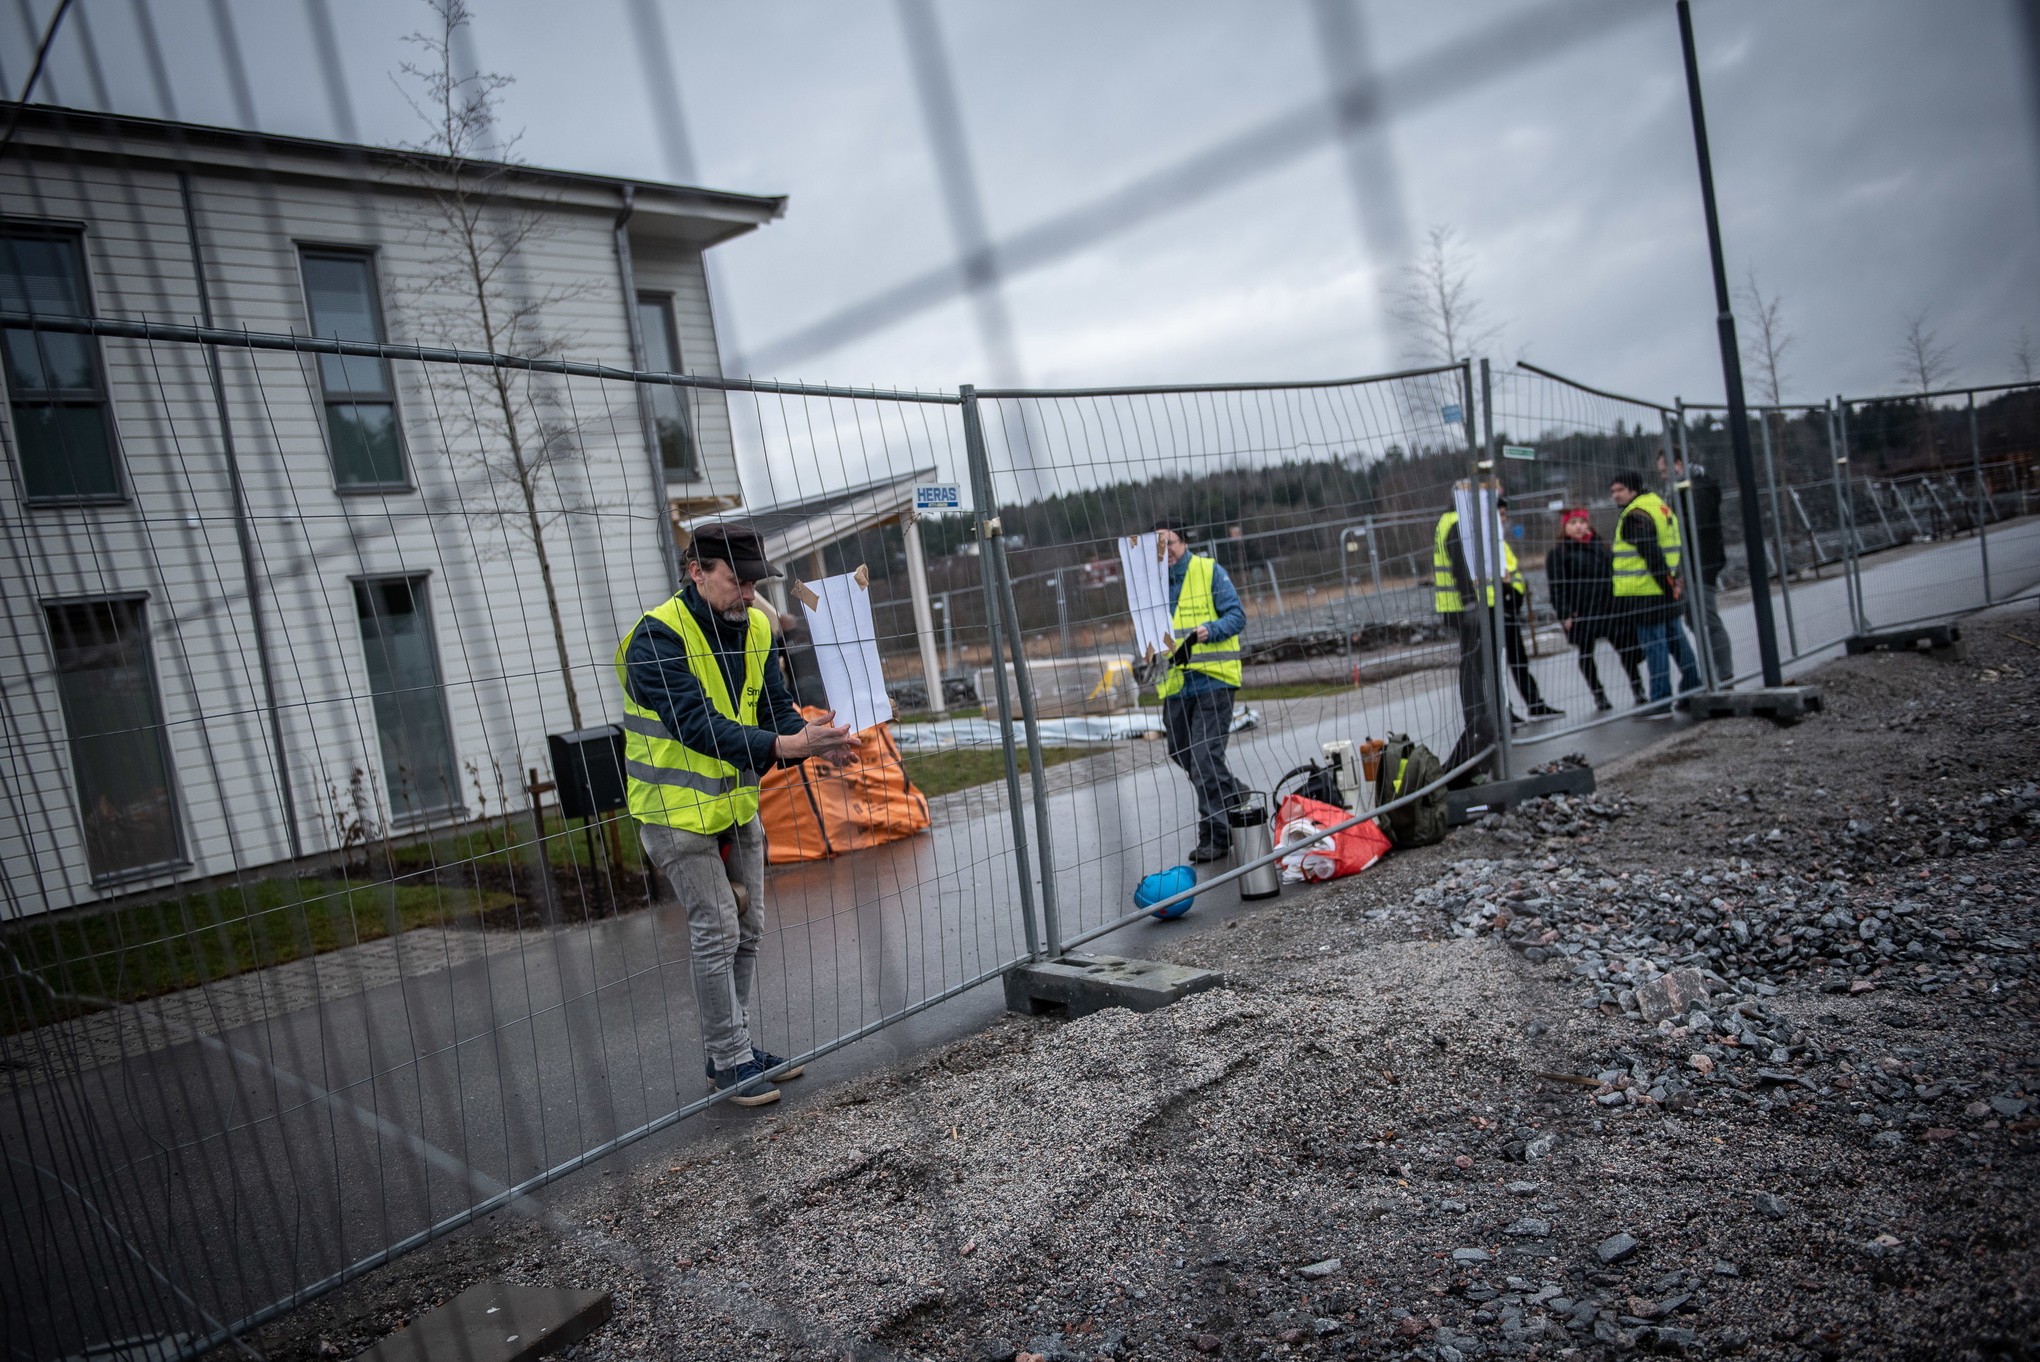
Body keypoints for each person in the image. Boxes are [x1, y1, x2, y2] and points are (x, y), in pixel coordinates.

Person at [617, 523, 859, 1107]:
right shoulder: (654, 639)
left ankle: (736, 1047)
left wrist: (813, 736)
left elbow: (771, 704)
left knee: (748, 930)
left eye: (755, 583)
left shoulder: (754, 625)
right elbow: (696, 727)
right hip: (674, 810)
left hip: (735, 802)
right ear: (696, 571)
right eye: (737, 581)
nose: (749, 594)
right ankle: (728, 1062)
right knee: (717, 928)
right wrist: (785, 748)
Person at [1153, 517, 1247, 863]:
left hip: (1214, 678)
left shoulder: (1209, 572)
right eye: (1160, 547)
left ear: (1185, 543)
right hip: (1176, 684)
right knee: (1183, 753)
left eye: (1171, 543)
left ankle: (1217, 835)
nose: (1167, 552)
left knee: (1205, 756)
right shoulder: (1151, 587)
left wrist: (1212, 629)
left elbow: (1237, 616)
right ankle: (1235, 793)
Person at [1609, 471, 1703, 713]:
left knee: (1655, 646)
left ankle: (1660, 700)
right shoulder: (1659, 506)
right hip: (1665, 586)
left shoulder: (1635, 515)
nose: (1615, 495)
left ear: (1633, 489)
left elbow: (1651, 554)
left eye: (1619, 490)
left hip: (1646, 591)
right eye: (1613, 491)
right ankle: (1693, 689)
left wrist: (1666, 583)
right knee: (1677, 640)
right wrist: (1673, 582)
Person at [1546, 507, 1646, 709]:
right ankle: (1598, 694)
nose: (1578, 527)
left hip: (1610, 608)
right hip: (1582, 611)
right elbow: (1557, 587)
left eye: (1581, 522)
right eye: (1573, 523)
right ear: (1565, 527)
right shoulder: (1558, 554)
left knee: (1626, 650)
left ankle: (1638, 689)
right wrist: (1565, 613)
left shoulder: (1600, 546)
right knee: (1586, 653)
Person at [1433, 482, 1497, 783]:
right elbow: (1460, 564)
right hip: (1463, 607)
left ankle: (1483, 715)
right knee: (1472, 663)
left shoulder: (1455, 519)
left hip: (1460, 606)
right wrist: (1471, 603)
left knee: (1476, 661)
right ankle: (1478, 718)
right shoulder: (1458, 522)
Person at [1659, 451, 1733, 685]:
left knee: (1708, 617)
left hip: (1702, 563)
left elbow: (1693, 526)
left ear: (1678, 464)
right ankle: (1712, 673)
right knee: (1693, 619)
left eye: (1664, 470)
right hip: (1689, 564)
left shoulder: (1699, 488)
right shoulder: (1680, 490)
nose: (1662, 476)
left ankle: (1724, 673)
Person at [1497, 501, 1563, 720]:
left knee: (1518, 660)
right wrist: (1508, 593)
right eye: (1502, 514)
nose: (1505, 519)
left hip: (1509, 609)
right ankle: (1506, 711)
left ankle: (1534, 704)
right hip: (1498, 610)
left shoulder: (1499, 543)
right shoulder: (1486, 545)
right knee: (1500, 665)